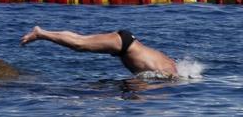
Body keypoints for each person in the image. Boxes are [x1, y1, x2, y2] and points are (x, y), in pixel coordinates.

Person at [20, 26, 178, 78]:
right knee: (79, 44)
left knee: (80, 41)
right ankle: (40, 33)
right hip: (124, 45)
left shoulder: (169, 64)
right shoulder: (168, 73)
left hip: (127, 43)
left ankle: (42, 33)